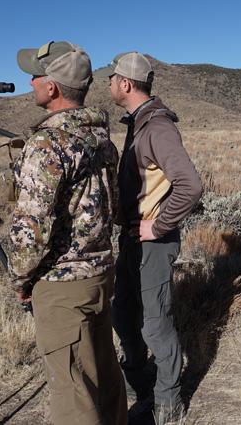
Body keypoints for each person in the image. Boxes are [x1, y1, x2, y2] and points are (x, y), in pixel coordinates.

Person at [9, 41, 126, 425]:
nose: (30, 82)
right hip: (100, 274)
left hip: (62, 284)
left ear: (52, 87)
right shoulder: (100, 137)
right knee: (103, 376)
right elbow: (115, 206)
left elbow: (32, 229)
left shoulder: (47, 144)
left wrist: (21, 278)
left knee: (73, 394)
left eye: (36, 76)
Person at [96, 51, 202, 424]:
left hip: (152, 242)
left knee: (156, 323)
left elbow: (190, 186)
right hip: (132, 238)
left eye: (111, 78)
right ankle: (139, 383)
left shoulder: (157, 127)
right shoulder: (138, 123)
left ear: (125, 83)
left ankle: (168, 404)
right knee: (124, 312)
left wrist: (157, 226)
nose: (108, 83)